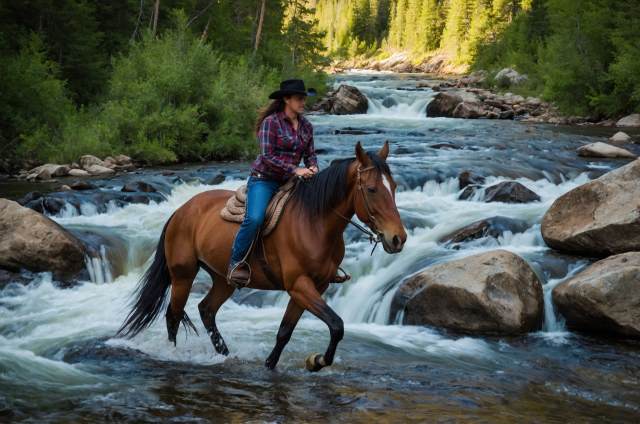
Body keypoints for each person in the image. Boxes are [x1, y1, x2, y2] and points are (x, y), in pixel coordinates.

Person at [227, 79, 319, 288]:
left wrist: (313, 167)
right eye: (299, 98)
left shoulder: (306, 126)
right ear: (286, 99)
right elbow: (268, 156)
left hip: (293, 181)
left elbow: (310, 155)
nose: (303, 102)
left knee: (320, 210)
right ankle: (235, 262)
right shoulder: (271, 122)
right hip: (265, 179)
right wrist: (296, 169)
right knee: (255, 218)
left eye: (304, 98)